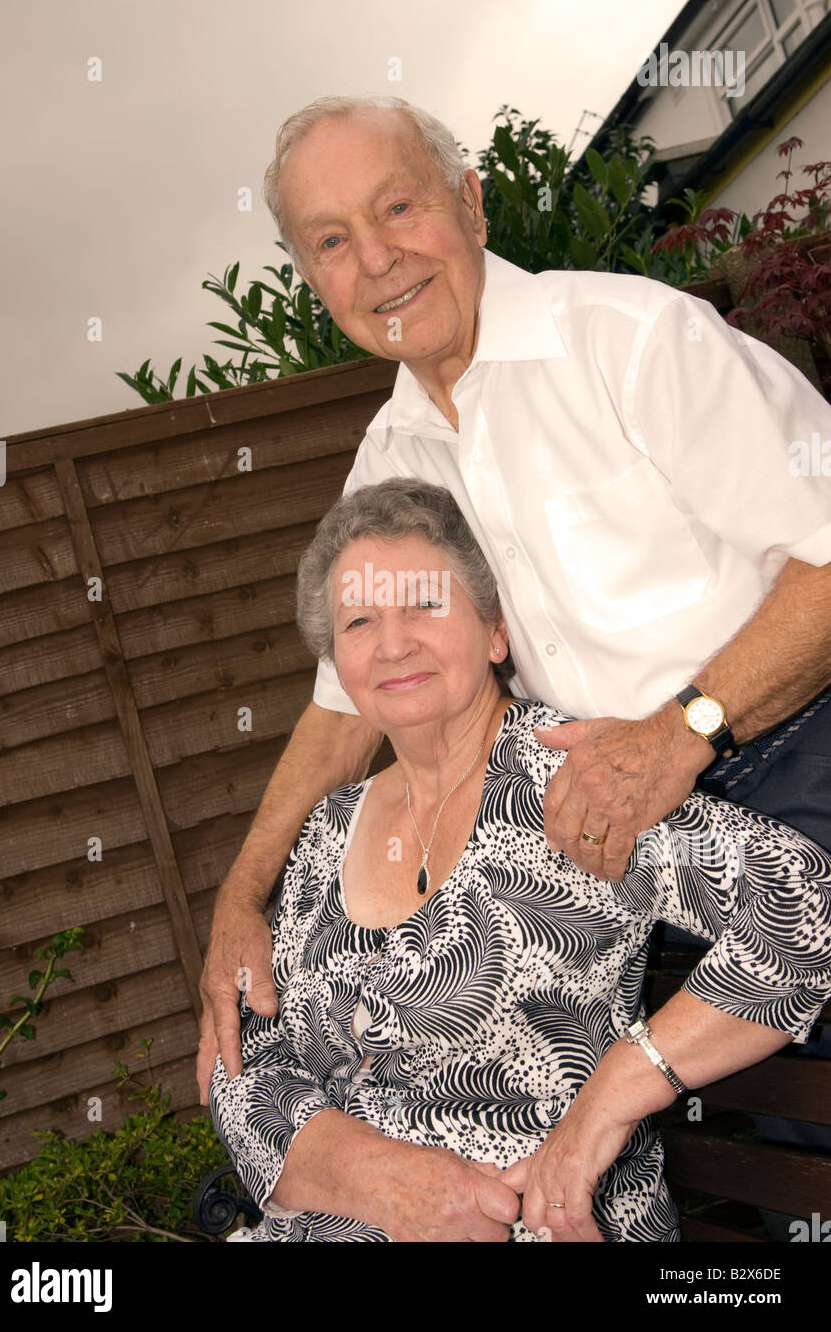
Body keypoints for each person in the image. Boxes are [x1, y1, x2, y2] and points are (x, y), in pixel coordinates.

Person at [197, 94, 831, 1103]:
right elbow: (340, 709)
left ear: (471, 204)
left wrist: (680, 735)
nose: (378, 260)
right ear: (317, 281)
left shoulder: (632, 340)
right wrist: (240, 897)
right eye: (332, 241)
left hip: (795, 749)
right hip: (615, 829)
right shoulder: (388, 468)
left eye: (399, 209)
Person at [209, 480, 831, 1242]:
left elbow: (798, 897)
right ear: (339, 663)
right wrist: (368, 1174)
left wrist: (619, 1090)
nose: (393, 642)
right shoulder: (327, 831)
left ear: (495, 632)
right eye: (361, 620)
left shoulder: (574, 782)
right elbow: (243, 1054)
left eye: (424, 606)